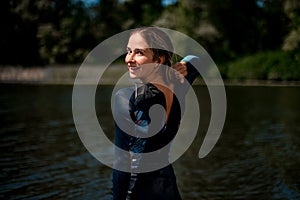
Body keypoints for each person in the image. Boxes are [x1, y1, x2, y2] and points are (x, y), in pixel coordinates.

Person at [112, 27, 199, 200]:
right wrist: (184, 64)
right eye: (129, 51)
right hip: (167, 186)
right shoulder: (180, 84)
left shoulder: (126, 98)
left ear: (158, 60)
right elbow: (198, 60)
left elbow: (123, 163)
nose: (129, 59)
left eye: (139, 53)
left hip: (137, 191)